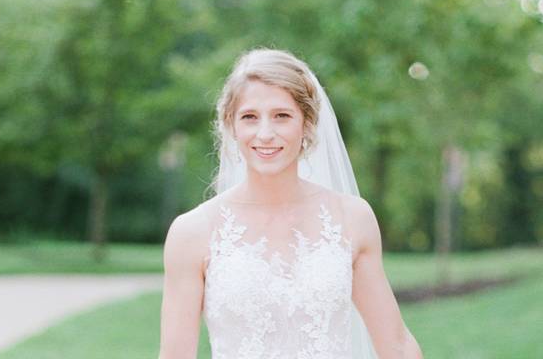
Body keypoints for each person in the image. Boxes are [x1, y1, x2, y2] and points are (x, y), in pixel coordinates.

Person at [158, 48, 423, 359]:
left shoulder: (352, 218)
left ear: (307, 123)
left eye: (282, 116)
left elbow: (398, 345)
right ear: (231, 126)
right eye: (249, 117)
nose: (265, 133)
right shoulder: (192, 231)